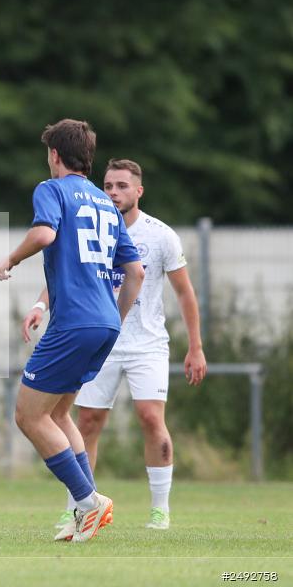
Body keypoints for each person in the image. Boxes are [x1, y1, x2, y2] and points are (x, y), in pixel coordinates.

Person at [23, 159, 207, 532]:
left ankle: (159, 510)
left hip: (145, 342)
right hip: (99, 338)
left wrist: (196, 346)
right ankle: (79, 504)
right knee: (85, 421)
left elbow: (185, 293)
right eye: (108, 185)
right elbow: (76, 272)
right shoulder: (92, 221)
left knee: (151, 418)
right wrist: (42, 304)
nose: (113, 192)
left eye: (122, 186)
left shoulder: (161, 236)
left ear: (139, 191)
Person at [0, 119, 144, 543]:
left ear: (55, 156)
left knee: (28, 415)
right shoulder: (106, 204)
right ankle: (85, 509)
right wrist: (114, 317)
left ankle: (89, 502)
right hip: (105, 324)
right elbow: (135, 273)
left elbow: (43, 234)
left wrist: (11, 259)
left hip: (73, 323)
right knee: (59, 414)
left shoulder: (52, 189)